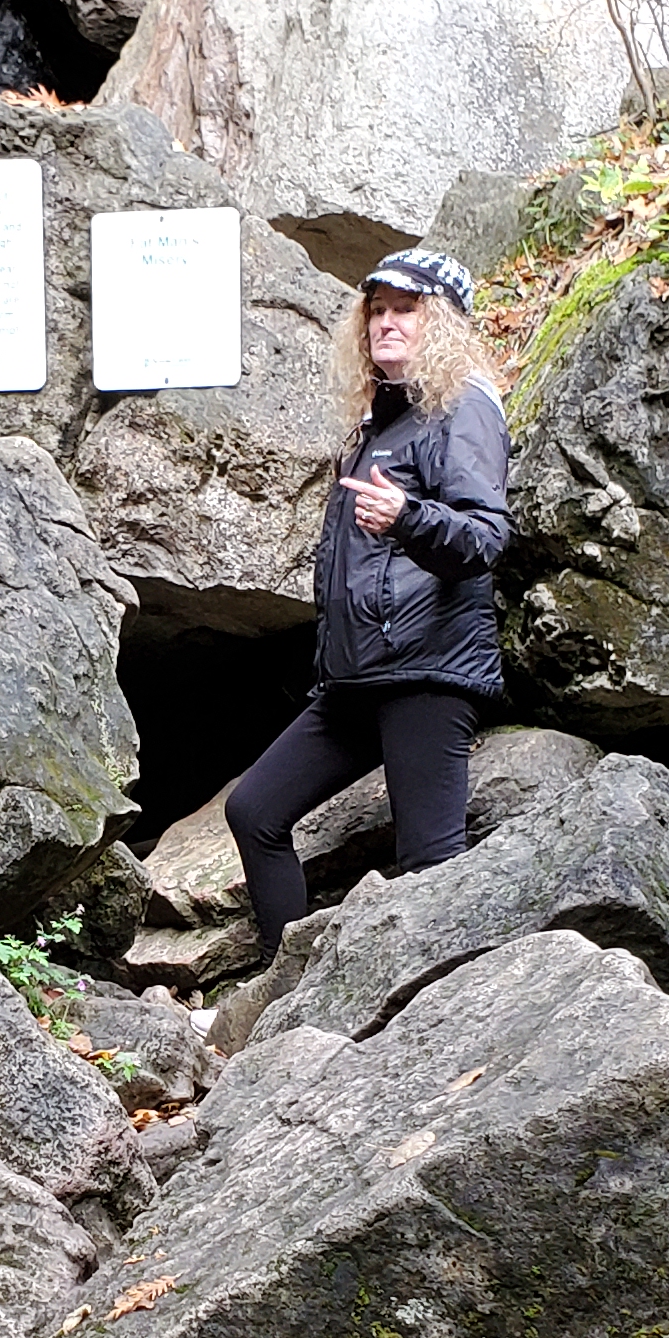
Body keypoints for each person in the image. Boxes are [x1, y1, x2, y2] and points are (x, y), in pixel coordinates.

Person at [224, 244, 509, 963]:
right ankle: (286, 994)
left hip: (426, 672)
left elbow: (484, 538)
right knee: (254, 811)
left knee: (433, 866)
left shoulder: (463, 404)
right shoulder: (377, 423)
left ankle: (451, 1029)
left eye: (404, 309)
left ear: (440, 321)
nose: (385, 322)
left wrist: (409, 516)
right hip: (356, 676)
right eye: (375, 310)